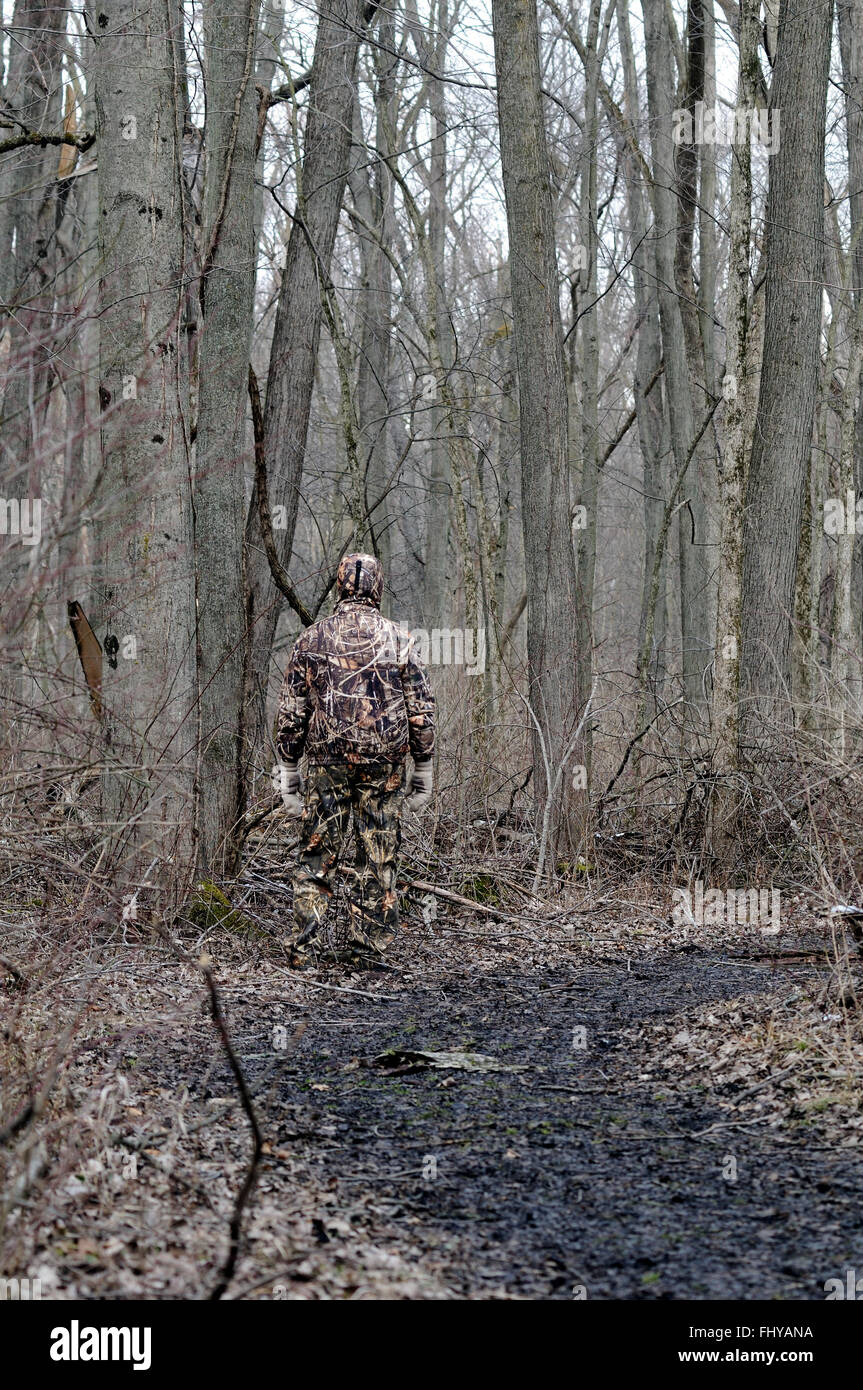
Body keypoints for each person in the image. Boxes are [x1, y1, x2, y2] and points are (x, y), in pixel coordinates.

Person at [271, 552, 436, 964]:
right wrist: (424, 766)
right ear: (377, 587)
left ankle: (302, 950)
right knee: (377, 855)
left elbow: (292, 712)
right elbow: (421, 711)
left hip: (327, 763)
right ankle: (368, 948)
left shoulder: (311, 640)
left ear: (340, 586)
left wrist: (289, 769)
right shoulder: (400, 640)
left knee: (316, 854)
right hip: (384, 767)